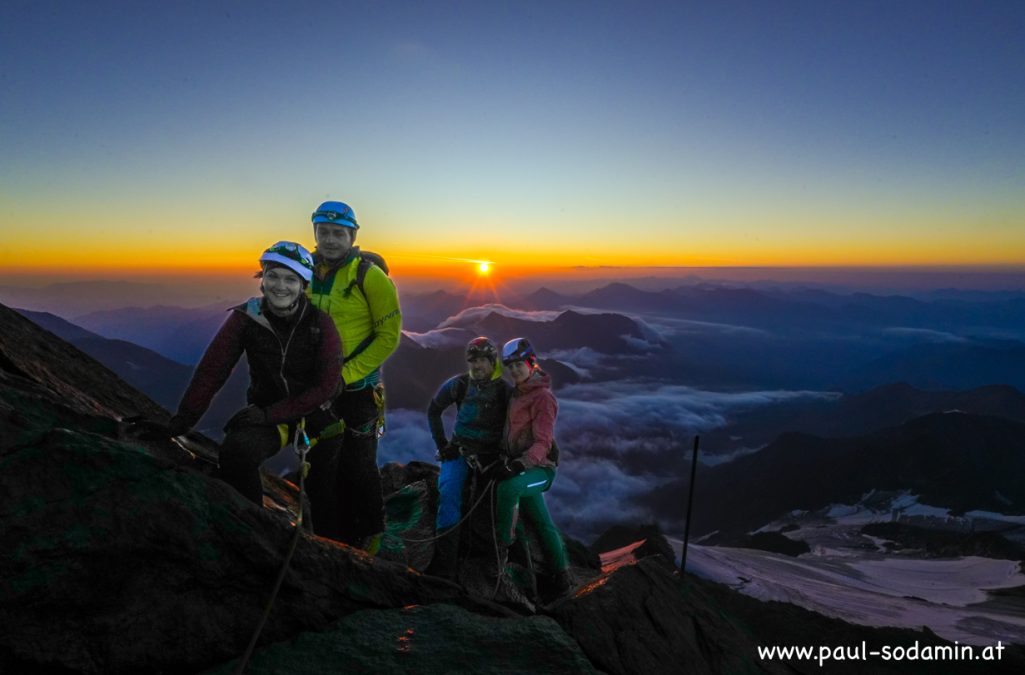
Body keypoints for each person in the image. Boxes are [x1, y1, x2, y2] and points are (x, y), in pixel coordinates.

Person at [168, 242, 343, 520]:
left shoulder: (320, 324)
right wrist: (181, 422)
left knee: (324, 495)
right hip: (273, 418)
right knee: (236, 453)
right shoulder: (246, 319)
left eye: (290, 279)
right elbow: (212, 372)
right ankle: (258, 527)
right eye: (272, 276)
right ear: (262, 280)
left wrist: (266, 414)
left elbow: (326, 387)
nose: (280, 286)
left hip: (319, 417)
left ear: (303, 285)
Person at [307, 200, 402, 552]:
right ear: (315, 233)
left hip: (359, 389)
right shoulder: (306, 273)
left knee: (359, 465)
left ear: (352, 235)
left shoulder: (369, 277)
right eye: (324, 232)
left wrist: (346, 375)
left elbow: (388, 336)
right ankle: (332, 540)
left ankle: (371, 534)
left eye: (338, 233)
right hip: (317, 388)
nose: (330, 240)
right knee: (320, 466)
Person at [490, 337, 572, 598]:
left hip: (540, 471)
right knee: (541, 523)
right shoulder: (517, 393)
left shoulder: (543, 398)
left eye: (518, 364)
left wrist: (518, 464)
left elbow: (543, 442)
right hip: (521, 468)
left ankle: (501, 549)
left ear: (531, 363)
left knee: (508, 489)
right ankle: (560, 575)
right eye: (510, 365)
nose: (514, 370)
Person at [425, 336, 512, 580]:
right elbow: (434, 410)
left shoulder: (505, 392)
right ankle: (446, 566)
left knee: (486, 509)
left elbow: (519, 425)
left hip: (490, 456)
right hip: (459, 449)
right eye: (473, 360)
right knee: (449, 494)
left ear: (493, 362)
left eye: (483, 360)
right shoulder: (459, 385)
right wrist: (443, 445)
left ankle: (482, 565)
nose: (477, 366)